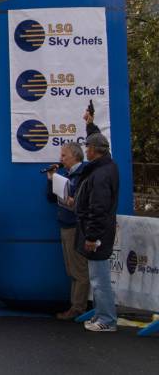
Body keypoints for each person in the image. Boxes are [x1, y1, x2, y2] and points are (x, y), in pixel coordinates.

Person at [75, 132, 119, 332]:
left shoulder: (101, 174)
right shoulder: (106, 167)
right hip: (100, 230)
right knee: (97, 278)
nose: (85, 151)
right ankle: (102, 315)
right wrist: (90, 123)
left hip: (98, 233)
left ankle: (107, 319)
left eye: (87, 147)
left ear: (94, 150)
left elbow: (98, 208)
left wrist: (92, 237)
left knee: (99, 279)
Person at [46, 142, 89, 320]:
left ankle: (78, 307)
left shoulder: (83, 174)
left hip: (76, 225)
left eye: (64, 155)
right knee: (71, 269)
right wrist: (51, 179)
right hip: (65, 223)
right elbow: (51, 198)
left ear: (75, 156)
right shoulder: (67, 175)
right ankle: (75, 304)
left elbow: (80, 200)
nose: (61, 159)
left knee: (79, 269)